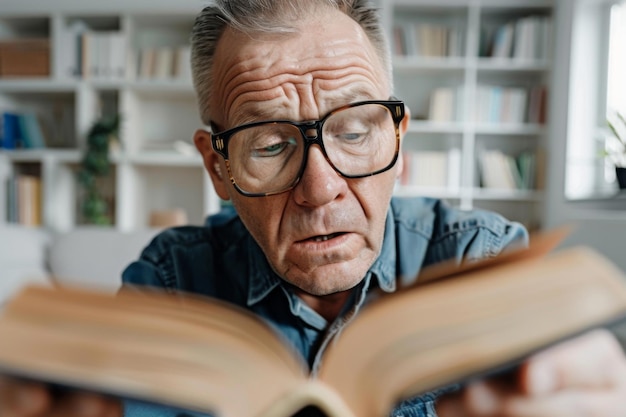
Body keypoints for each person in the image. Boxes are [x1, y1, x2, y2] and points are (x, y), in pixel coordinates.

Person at [2, 0, 626, 416]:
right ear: (217, 166)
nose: (321, 188)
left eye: (355, 132)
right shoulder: (170, 285)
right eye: (270, 145)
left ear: (399, 142)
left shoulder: (479, 259)